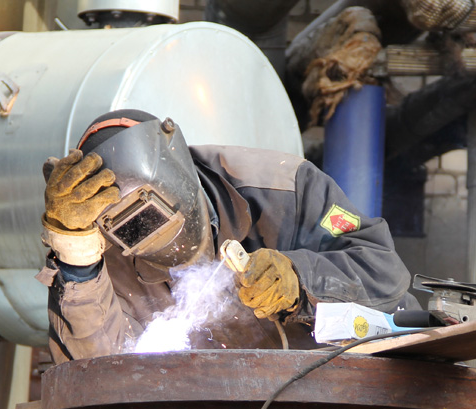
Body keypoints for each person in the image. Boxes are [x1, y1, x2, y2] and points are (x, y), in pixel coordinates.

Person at [36, 109, 413, 364]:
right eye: (128, 228)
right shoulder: (106, 257)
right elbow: (99, 369)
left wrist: (299, 278)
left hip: (347, 393)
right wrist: (76, 255)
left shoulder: (284, 188)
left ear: (178, 174)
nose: (149, 236)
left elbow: (384, 274)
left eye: (149, 214)